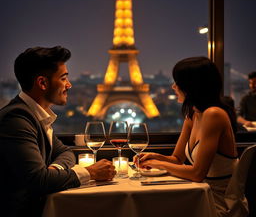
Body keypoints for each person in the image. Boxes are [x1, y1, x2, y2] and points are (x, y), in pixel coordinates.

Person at [0, 46, 116, 217]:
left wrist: (53, 171)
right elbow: (38, 180)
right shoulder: (17, 119)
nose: (69, 85)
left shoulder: (34, 115)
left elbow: (65, 152)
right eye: (63, 78)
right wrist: (90, 172)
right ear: (42, 83)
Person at [137, 57, 240, 216]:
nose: (173, 86)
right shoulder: (193, 115)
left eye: (177, 82)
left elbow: (197, 174)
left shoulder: (214, 115)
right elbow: (177, 159)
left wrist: (158, 164)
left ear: (192, 86)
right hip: (199, 196)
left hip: (218, 204)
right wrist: (155, 156)